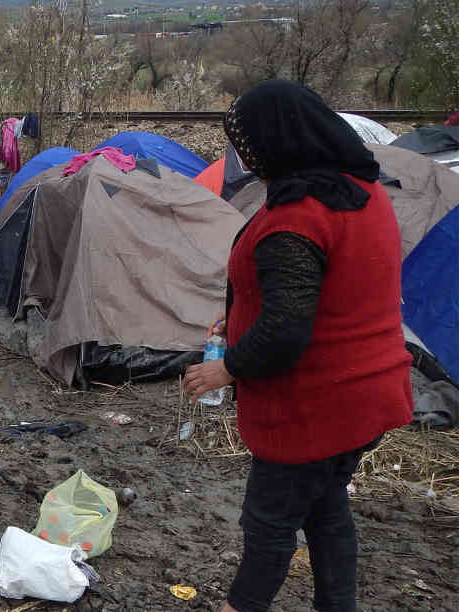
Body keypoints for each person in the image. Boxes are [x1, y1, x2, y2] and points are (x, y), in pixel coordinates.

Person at [183, 79, 413, 612]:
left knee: (268, 525)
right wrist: (243, 308)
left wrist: (227, 369)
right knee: (327, 509)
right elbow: (329, 287)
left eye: (249, 145)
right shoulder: (359, 189)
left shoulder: (297, 217)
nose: (246, 158)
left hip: (315, 409)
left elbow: (286, 332)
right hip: (370, 396)